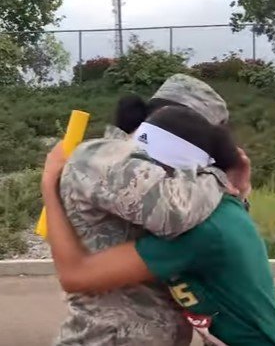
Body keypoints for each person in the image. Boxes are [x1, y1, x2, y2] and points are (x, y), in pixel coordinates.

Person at [42, 108, 275, 346]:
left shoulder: (198, 230)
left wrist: (49, 187)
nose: (138, 174)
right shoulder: (223, 209)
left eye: (143, 166)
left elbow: (77, 275)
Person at [47, 74, 237, 345]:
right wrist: (221, 175)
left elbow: (215, 238)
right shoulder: (104, 157)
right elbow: (174, 213)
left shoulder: (172, 176)